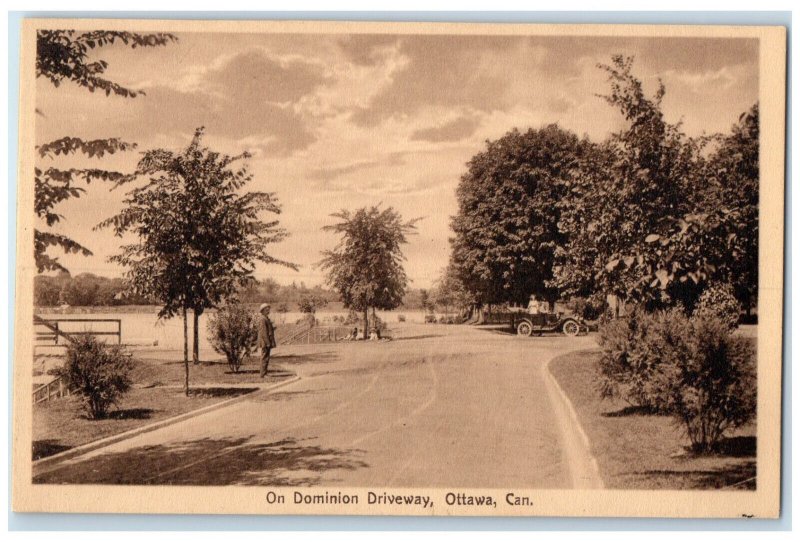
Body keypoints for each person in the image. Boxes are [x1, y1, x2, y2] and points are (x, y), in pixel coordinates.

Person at [257, 303, 276, 378]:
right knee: (264, 357)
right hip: (265, 342)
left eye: (268, 309)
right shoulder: (262, 319)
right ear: (262, 310)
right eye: (266, 309)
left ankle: (265, 373)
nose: (268, 310)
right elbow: (263, 332)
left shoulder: (265, 318)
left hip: (266, 341)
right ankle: (263, 374)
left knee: (266, 357)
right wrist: (268, 342)